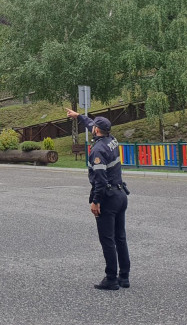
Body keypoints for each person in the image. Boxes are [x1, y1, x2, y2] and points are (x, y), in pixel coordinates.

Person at [67, 108, 131, 290]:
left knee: (107, 240)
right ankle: (124, 277)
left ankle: (111, 278)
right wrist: (78, 116)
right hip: (120, 195)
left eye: (93, 127)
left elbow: (100, 180)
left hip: (108, 199)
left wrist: (96, 201)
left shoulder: (98, 150)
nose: (92, 127)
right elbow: (91, 125)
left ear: (96, 130)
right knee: (120, 237)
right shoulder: (111, 140)